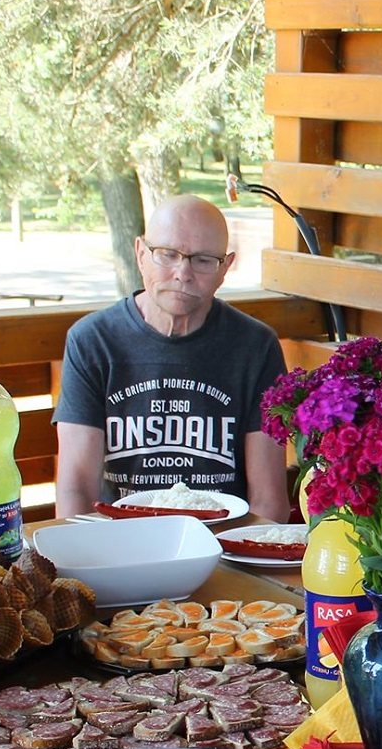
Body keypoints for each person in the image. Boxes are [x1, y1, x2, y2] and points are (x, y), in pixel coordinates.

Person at [55, 195, 289, 522]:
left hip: (222, 546)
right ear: (140, 254)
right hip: (122, 543)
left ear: (226, 268)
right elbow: (76, 489)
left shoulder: (255, 347)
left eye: (204, 260)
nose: (183, 273)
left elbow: (268, 500)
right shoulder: (93, 341)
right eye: (167, 254)